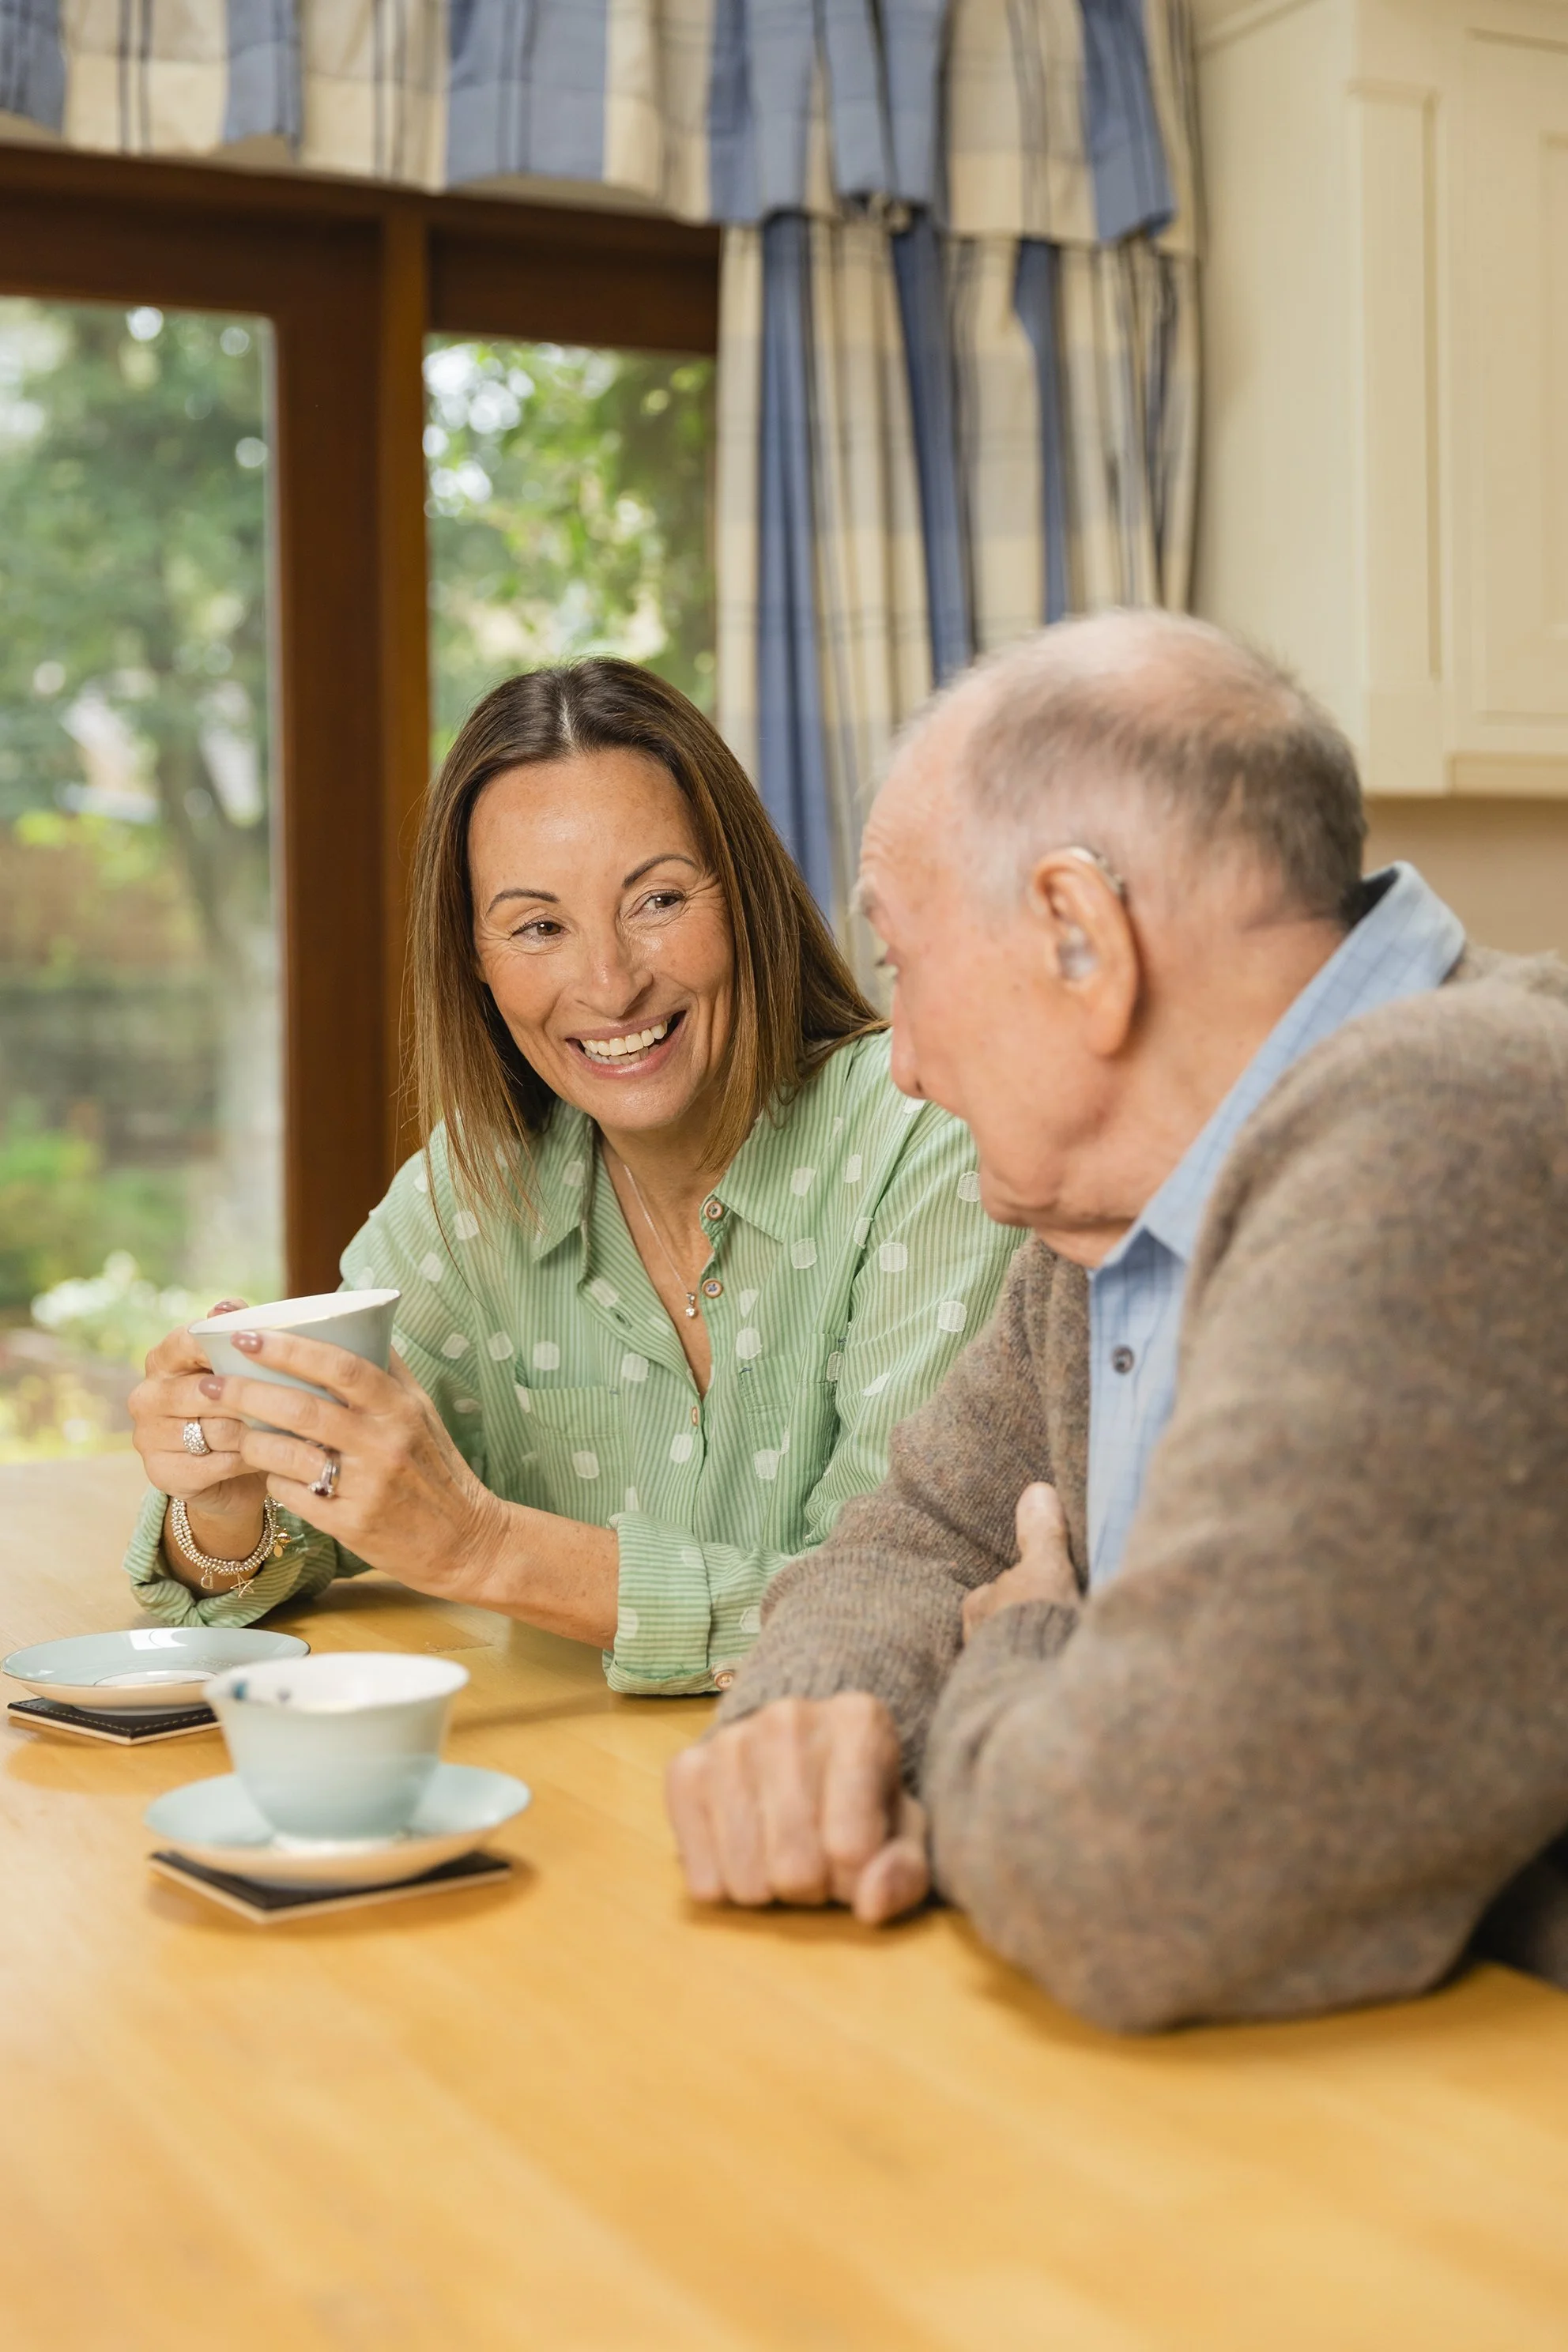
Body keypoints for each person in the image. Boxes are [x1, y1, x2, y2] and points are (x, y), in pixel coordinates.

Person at [666, 610, 1568, 2026]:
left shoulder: (1451, 1130)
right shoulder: (1110, 1223)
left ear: (1080, 938)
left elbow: (1137, 1873)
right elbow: (912, 1540)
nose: (898, 1067)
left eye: (903, 967)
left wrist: (1019, 1654)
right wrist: (807, 1728)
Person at [122, 661, 1023, 1693]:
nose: (609, 982)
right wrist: (229, 1497)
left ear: (750, 899)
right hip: (573, 1812)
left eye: (658, 900)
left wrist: (484, 1547)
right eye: (539, 926)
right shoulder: (469, 1198)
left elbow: (896, 1606)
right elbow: (309, 1531)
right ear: (476, 960)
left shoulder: (927, 1141)